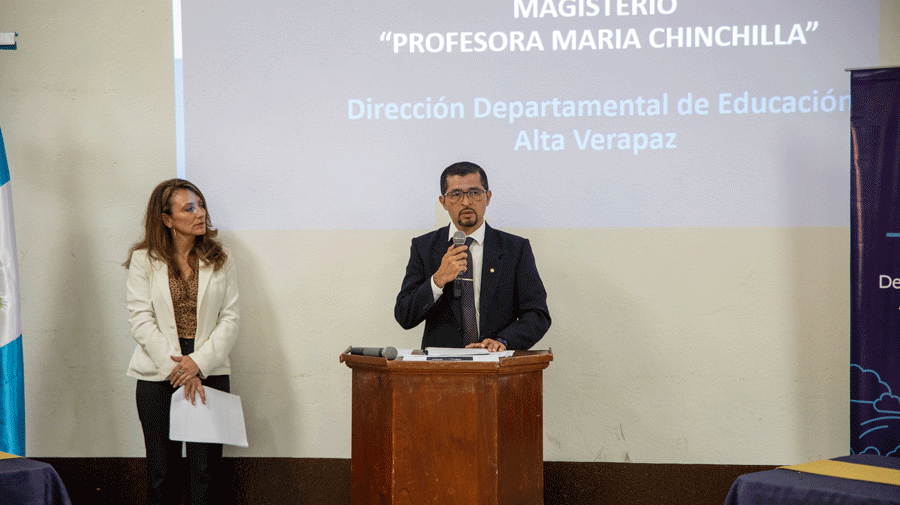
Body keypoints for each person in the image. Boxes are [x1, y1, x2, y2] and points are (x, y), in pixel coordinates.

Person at [124, 179, 239, 505]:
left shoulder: (221, 258)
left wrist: (197, 364)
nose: (199, 213)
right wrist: (180, 369)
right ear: (166, 219)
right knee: (163, 472)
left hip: (209, 368)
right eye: (188, 208)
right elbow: (140, 320)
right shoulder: (143, 260)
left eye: (200, 205)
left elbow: (230, 319)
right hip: (158, 372)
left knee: (206, 472)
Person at [395, 161, 550, 351]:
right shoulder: (424, 247)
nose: (466, 202)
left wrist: (503, 341)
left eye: (474, 193)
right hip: (441, 365)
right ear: (444, 202)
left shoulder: (515, 248)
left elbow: (537, 314)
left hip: (496, 362)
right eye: (456, 194)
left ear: (488, 197)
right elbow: (404, 315)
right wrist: (438, 279)